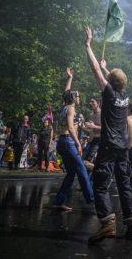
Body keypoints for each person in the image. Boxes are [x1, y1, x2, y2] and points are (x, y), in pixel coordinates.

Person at [84, 27, 132, 244]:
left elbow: (95, 69)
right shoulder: (124, 96)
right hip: (123, 146)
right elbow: (112, 79)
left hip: (108, 145)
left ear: (111, 83)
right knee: (124, 183)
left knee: (100, 183)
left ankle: (107, 223)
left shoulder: (109, 93)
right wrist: (108, 70)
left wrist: (88, 45)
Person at [53, 67, 94, 211]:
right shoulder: (70, 109)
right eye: (78, 96)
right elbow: (71, 128)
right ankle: (92, 199)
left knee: (71, 173)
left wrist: (69, 78)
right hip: (68, 142)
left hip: (61, 143)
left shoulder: (63, 107)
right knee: (82, 169)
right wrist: (78, 144)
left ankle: (59, 202)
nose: (79, 98)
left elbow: (66, 93)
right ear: (74, 98)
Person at [82, 96, 102, 171]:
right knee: (83, 161)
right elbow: (91, 130)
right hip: (91, 141)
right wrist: (82, 127)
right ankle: (97, 172)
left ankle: (100, 171)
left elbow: (107, 129)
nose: (90, 103)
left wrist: (94, 126)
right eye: (90, 102)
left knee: (87, 161)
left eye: (92, 102)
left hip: (99, 141)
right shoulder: (91, 115)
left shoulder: (103, 114)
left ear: (98, 103)